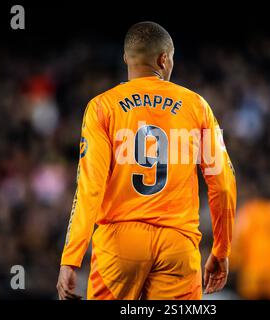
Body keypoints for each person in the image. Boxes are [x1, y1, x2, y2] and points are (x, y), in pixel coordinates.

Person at [56, 21, 236, 300]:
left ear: (126, 57)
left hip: (119, 244)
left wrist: (71, 257)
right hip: (178, 244)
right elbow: (223, 184)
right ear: (164, 59)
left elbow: (90, 188)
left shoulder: (101, 107)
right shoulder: (197, 106)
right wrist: (221, 249)